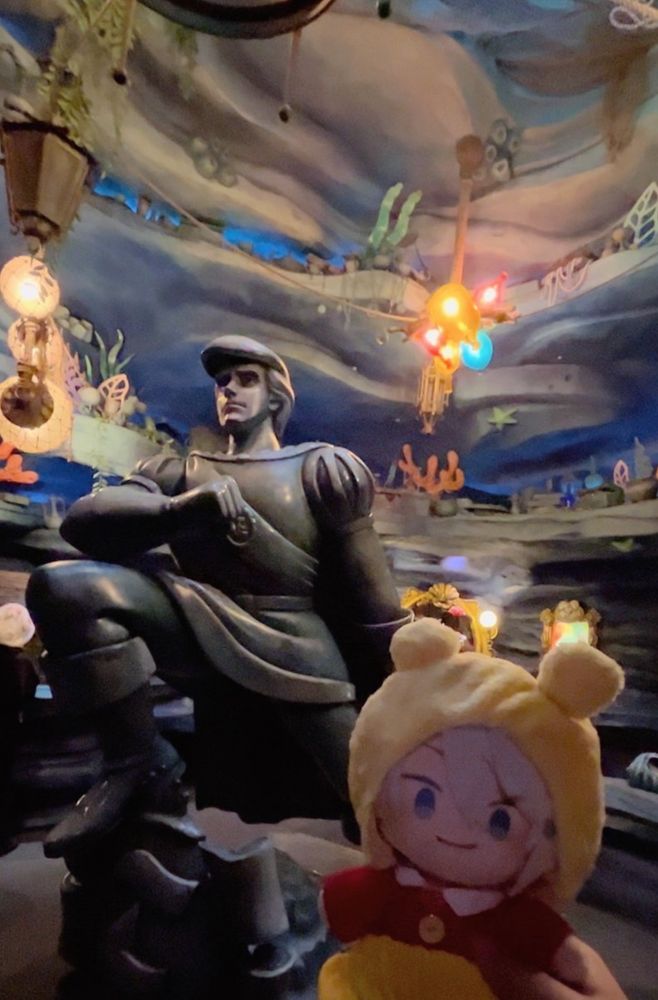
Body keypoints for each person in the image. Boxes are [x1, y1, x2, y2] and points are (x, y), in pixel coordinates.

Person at [26, 335, 408, 858]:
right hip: (200, 622)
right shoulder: (181, 473)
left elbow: (373, 596)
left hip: (297, 648)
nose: (229, 390)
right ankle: (136, 763)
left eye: (245, 380)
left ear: (276, 397)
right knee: (65, 589)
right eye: (222, 382)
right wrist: (176, 512)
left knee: (378, 806)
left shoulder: (321, 468)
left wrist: (406, 677)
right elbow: (83, 524)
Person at [318, 617, 627, 1000]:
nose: (454, 831)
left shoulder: (514, 919)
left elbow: (568, 958)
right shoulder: (387, 890)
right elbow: (341, 903)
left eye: (500, 821)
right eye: (425, 800)